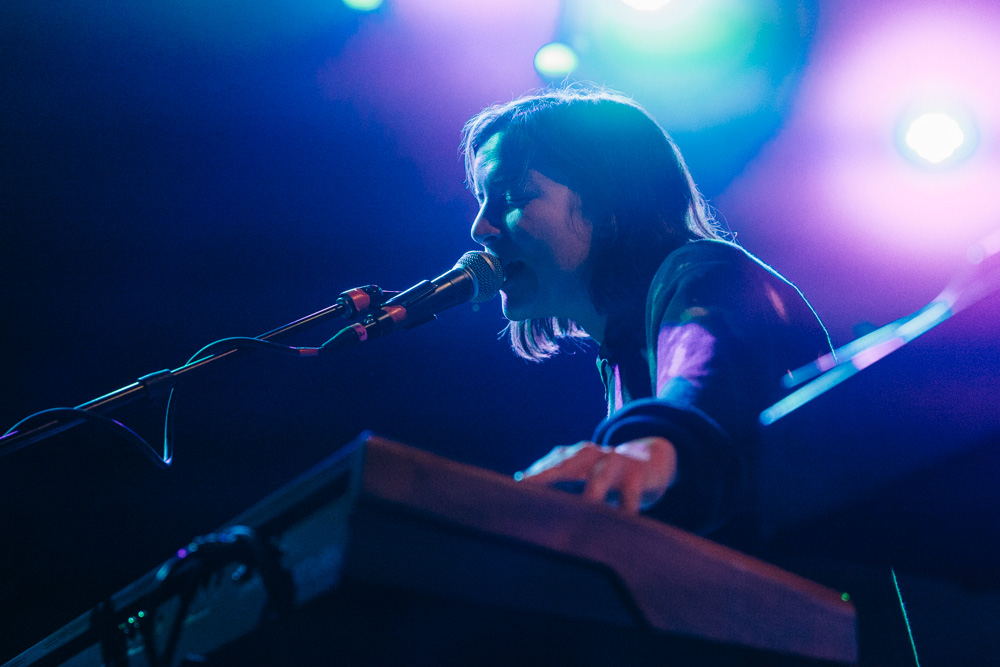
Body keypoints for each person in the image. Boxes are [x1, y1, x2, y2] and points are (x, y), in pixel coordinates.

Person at [461, 86, 832, 547]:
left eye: (511, 196)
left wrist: (658, 445)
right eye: (480, 199)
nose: (480, 227)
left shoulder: (706, 273)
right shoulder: (621, 351)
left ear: (608, 204)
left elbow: (704, 377)